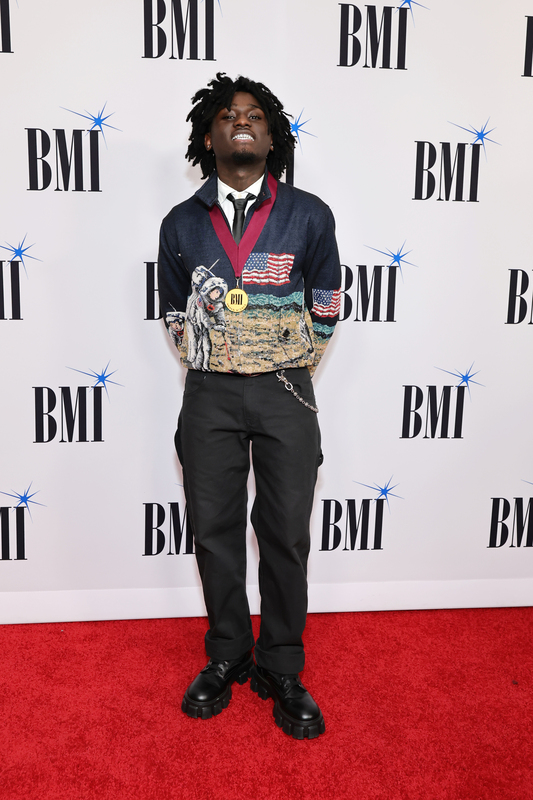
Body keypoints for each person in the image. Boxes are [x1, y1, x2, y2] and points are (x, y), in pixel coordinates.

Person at [158, 73, 341, 740]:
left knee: (286, 533)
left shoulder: (308, 214)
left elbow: (326, 302)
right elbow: (176, 312)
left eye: (256, 115)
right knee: (212, 530)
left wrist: (285, 363)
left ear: (272, 137)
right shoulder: (180, 222)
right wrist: (218, 359)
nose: (243, 121)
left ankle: (281, 665)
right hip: (208, 394)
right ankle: (228, 653)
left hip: (286, 390)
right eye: (228, 114)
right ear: (208, 135)